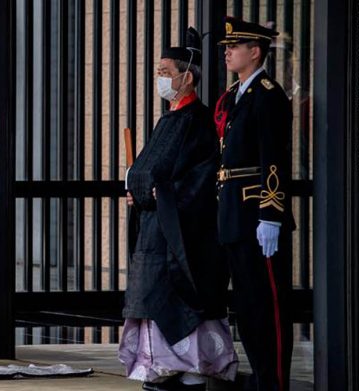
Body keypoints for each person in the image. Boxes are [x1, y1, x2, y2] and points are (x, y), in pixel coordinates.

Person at [119, 27, 238, 391]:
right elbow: (147, 169)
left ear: (187, 77)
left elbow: (198, 178)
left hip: (181, 233)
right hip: (154, 228)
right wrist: (137, 191)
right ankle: (158, 367)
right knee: (152, 299)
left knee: (181, 299)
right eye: (158, 72)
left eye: (166, 72)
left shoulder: (199, 121)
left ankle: (189, 367)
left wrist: (159, 193)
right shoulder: (168, 118)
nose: (160, 79)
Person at [214, 16, 296, 391]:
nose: (228, 52)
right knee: (246, 308)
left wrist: (271, 214)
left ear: (255, 51)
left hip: (257, 215)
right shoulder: (234, 96)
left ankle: (273, 383)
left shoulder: (268, 94)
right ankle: (261, 378)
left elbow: (273, 158)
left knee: (268, 308)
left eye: (235, 47)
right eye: (227, 48)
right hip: (233, 214)